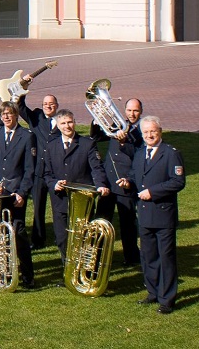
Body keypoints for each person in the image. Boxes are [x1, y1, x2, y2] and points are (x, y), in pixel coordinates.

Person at [123, 116, 185, 315]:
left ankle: (167, 299)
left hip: (163, 214)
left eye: (153, 131)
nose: (149, 135)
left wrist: (153, 192)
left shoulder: (171, 153)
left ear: (160, 132)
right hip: (144, 213)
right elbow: (135, 175)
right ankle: (153, 291)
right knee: (148, 256)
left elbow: (178, 182)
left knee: (165, 257)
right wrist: (127, 182)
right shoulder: (141, 153)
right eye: (146, 132)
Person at [43, 109, 110, 261]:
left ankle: (84, 271)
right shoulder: (51, 146)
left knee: (84, 238)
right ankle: (68, 271)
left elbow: (97, 168)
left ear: (74, 122)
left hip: (82, 200)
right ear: (58, 126)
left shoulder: (87, 144)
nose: (67, 126)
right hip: (60, 200)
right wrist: (54, 184)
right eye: (63, 123)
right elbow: (46, 173)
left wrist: (100, 185)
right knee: (62, 238)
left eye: (70, 122)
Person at [0, 101, 36, 288]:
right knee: (0, 235)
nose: (6, 117)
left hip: (16, 194)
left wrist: (22, 192)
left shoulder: (26, 136)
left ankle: (28, 276)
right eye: (3, 114)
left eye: (10, 113)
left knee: (19, 233)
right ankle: (5, 272)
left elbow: (29, 169)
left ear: (16, 115)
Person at [91, 98, 144, 268]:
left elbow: (137, 154)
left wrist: (123, 142)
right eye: (129, 110)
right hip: (109, 180)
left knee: (127, 222)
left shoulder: (143, 130)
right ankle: (96, 255)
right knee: (101, 219)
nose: (131, 114)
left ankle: (132, 257)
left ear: (140, 111)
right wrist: (96, 118)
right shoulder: (120, 124)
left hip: (126, 181)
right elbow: (97, 136)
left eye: (135, 111)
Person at [18, 89, 61, 249]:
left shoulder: (62, 120)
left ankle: (60, 237)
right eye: (45, 104)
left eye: (51, 104)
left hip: (56, 173)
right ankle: (37, 240)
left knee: (58, 208)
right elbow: (20, 107)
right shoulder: (36, 117)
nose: (48, 106)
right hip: (38, 172)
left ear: (56, 106)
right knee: (38, 207)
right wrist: (23, 88)